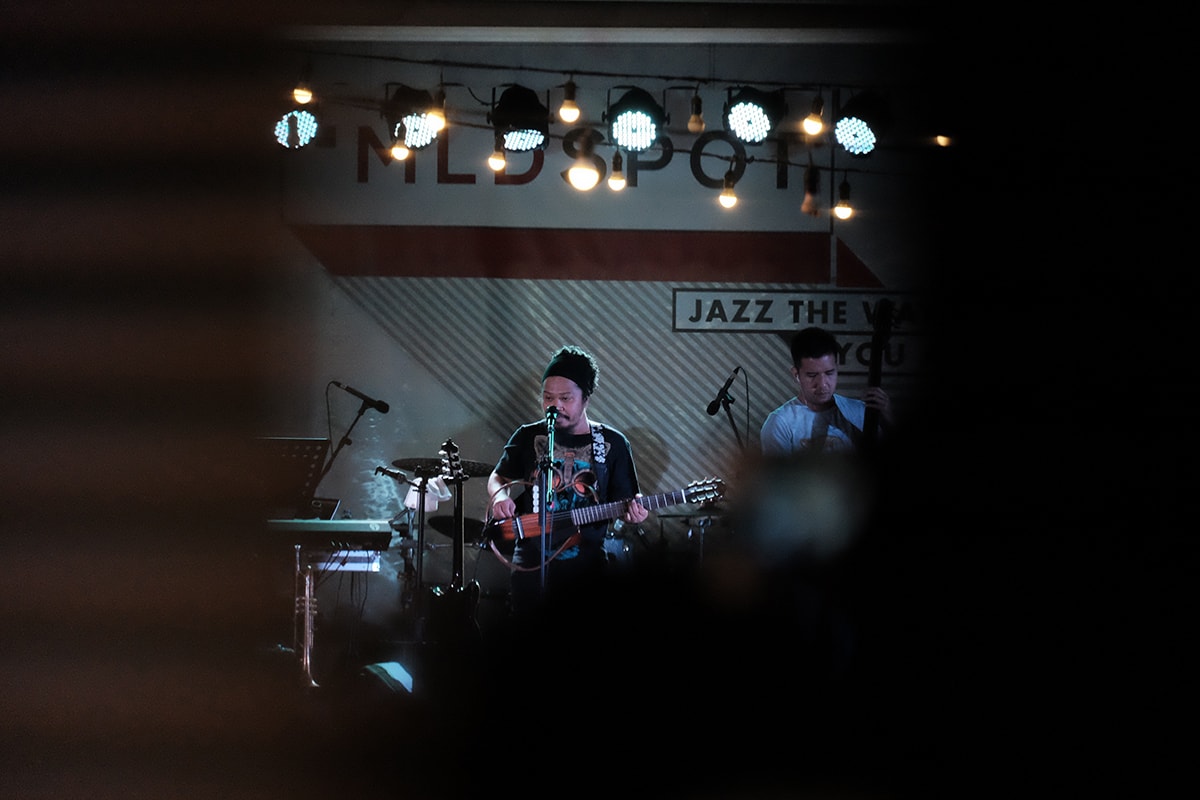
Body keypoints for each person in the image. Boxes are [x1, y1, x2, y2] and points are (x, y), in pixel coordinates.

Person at [486, 345, 648, 617]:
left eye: (565, 398)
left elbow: (628, 501)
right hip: (530, 562)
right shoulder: (527, 436)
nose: (555, 405)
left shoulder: (612, 443)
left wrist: (635, 512)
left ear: (586, 399)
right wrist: (499, 496)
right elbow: (498, 476)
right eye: (548, 397)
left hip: (587, 567)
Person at [760, 326, 893, 456]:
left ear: (837, 368)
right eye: (812, 375)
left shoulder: (859, 411)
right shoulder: (780, 423)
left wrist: (889, 420)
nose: (823, 384)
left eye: (829, 373)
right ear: (796, 375)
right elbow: (778, 471)